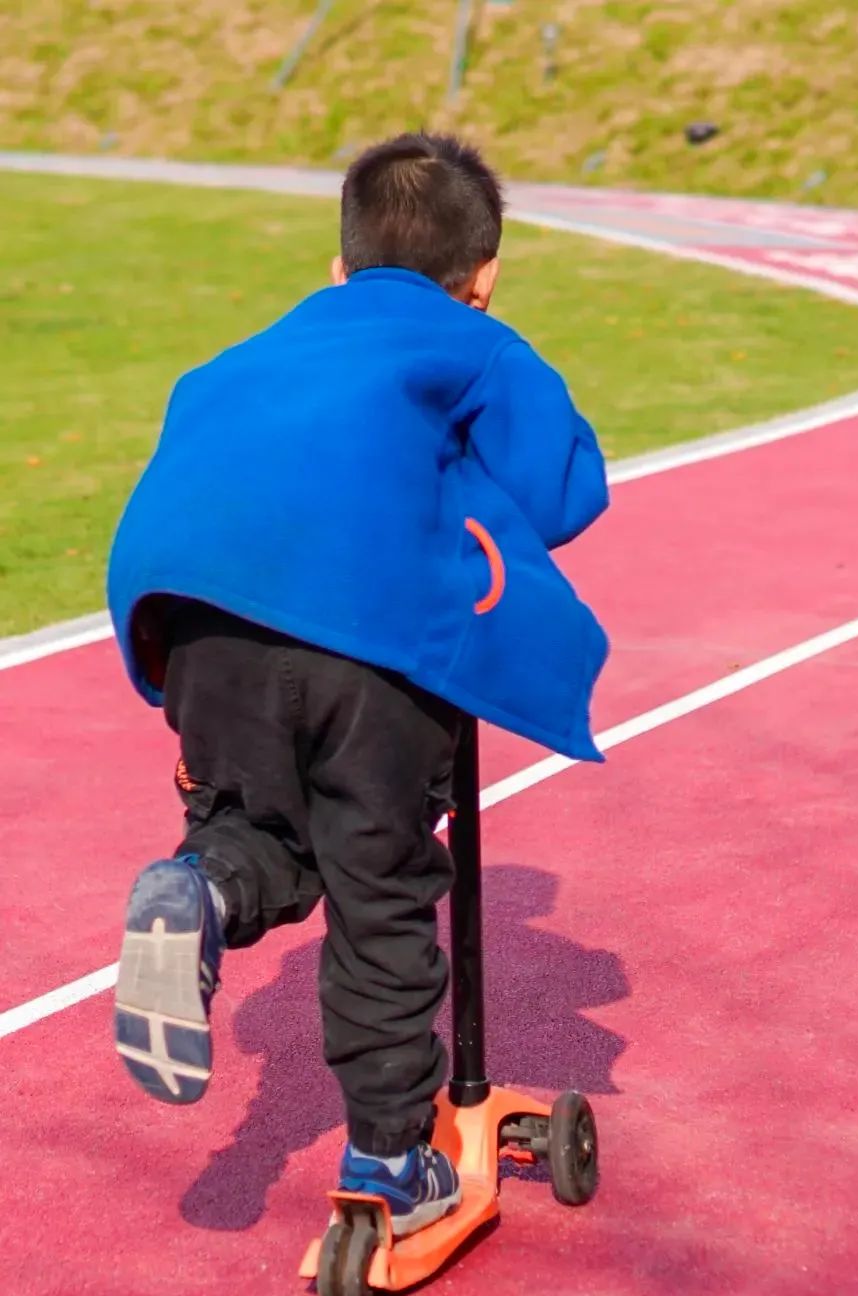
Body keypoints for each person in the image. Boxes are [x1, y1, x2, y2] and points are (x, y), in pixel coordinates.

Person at [106, 131, 610, 1236]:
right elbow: (563, 494)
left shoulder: (250, 352)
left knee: (260, 826)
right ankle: (391, 1161)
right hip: (360, 636)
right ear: (484, 276)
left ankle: (205, 890)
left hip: (195, 620)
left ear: (339, 265)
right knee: (379, 888)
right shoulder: (477, 342)